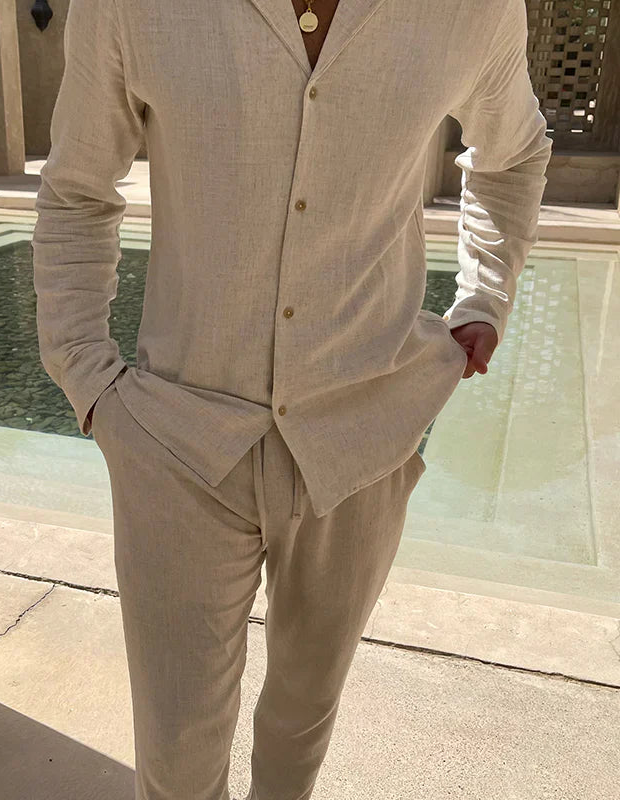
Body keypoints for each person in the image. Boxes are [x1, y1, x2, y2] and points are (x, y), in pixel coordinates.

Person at [32, 0, 552, 797]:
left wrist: (486, 293)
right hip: (177, 442)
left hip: (363, 438)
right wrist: (85, 373)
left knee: (301, 724)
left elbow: (512, 154)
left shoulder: (472, 9)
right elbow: (77, 188)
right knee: (175, 758)